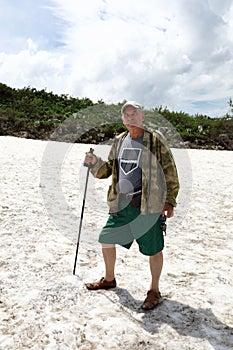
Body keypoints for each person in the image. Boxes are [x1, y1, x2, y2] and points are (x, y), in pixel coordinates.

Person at [84, 101, 179, 310]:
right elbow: (108, 170)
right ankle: (109, 279)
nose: (130, 117)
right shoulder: (119, 140)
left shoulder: (155, 140)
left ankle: (154, 290)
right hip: (122, 203)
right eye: (126, 114)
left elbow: (170, 170)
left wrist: (170, 200)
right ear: (122, 119)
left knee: (154, 249)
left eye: (134, 113)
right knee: (106, 238)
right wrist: (94, 163)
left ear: (142, 115)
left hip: (148, 205)